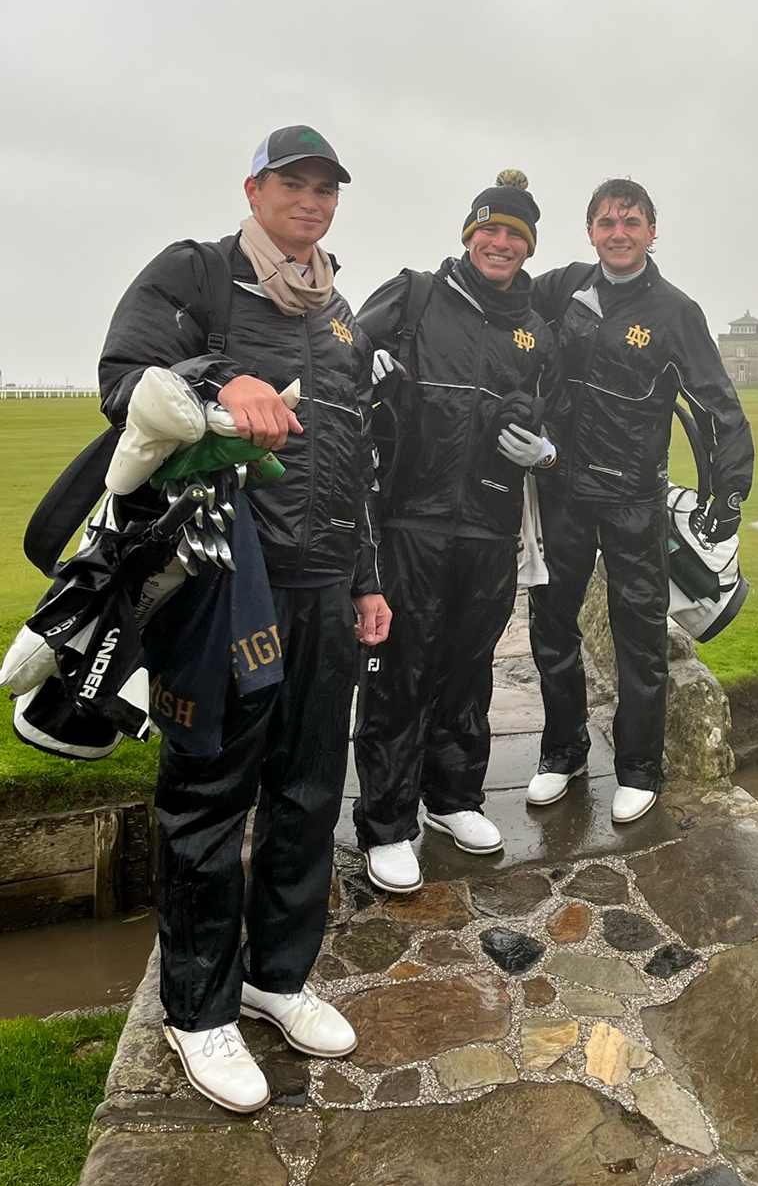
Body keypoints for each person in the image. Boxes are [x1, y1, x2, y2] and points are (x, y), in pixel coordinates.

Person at [98, 126, 391, 1112]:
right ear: (254, 188)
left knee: (310, 790)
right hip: (224, 585)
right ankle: (197, 1008)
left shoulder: (341, 311)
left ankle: (277, 975)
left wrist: (369, 579)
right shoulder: (200, 274)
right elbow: (125, 375)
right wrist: (225, 383)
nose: (310, 201)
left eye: (325, 189)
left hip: (324, 591)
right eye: (292, 184)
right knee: (210, 799)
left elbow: (358, 464)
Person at [352, 170, 555, 893]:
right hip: (411, 518)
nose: (501, 244)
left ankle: (454, 798)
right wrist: (360, 361)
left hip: (491, 528)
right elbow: (335, 344)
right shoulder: (415, 295)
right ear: (470, 234)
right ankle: (386, 823)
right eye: (490, 230)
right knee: (400, 669)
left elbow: (547, 414)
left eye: (515, 236)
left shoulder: (535, 330)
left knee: (469, 670)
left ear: (528, 249)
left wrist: (547, 448)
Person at [527, 177, 753, 823]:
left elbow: (717, 409)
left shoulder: (677, 312)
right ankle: (562, 751)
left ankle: (639, 767)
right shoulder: (562, 287)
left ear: (653, 232)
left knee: (638, 634)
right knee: (550, 624)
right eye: (606, 221)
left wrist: (727, 494)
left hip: (634, 498)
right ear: (590, 231)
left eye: (631, 221)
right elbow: (508, 311)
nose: (618, 232)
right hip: (562, 489)